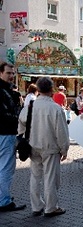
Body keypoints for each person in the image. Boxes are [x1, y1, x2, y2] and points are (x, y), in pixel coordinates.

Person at [18, 77, 70, 217]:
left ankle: (36, 206)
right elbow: (61, 132)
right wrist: (64, 149)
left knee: (35, 177)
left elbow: (21, 124)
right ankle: (51, 207)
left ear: (38, 89)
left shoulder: (30, 107)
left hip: (33, 146)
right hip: (50, 147)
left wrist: (24, 136)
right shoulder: (56, 108)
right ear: (51, 89)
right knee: (50, 178)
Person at [0, 62, 26, 212]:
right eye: (8, 73)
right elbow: (5, 115)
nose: (11, 76)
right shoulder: (3, 91)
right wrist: (18, 117)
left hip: (6, 132)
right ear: (1, 73)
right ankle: (4, 201)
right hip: (5, 133)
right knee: (6, 168)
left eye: (12, 73)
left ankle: (3, 196)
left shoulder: (8, 90)